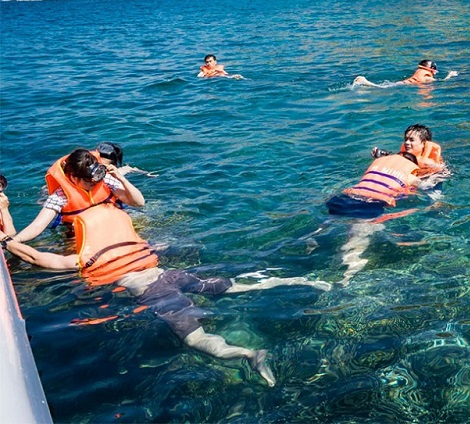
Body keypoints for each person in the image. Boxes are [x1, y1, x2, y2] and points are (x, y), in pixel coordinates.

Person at [0, 198, 331, 386]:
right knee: (235, 287)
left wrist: (8, 242)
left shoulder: (85, 256)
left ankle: (248, 355)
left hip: (156, 293)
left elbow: (35, 257)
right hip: (171, 274)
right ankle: (299, 281)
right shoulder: (130, 241)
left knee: (195, 340)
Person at [325, 124, 448, 285]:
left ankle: (340, 272)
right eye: (406, 140)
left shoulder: (427, 166)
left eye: (412, 140)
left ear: (424, 144)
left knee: (343, 232)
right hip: (368, 202)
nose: (408, 143)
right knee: (355, 238)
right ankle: (343, 277)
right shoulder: (403, 162)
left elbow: (434, 183)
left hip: (353, 199)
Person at [13, 148, 146, 243]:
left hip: (114, 227)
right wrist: (14, 240)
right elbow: (37, 226)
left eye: (97, 179)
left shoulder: (104, 180)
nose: (95, 184)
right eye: (89, 182)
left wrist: (120, 179)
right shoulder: (60, 196)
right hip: (81, 236)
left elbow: (139, 203)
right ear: (73, 177)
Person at [352, 59, 457, 87]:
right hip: (403, 84)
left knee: (384, 86)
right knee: (382, 88)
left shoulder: (420, 72)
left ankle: (363, 82)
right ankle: (363, 81)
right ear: (432, 69)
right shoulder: (427, 77)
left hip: (402, 82)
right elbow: (442, 82)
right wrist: (450, 75)